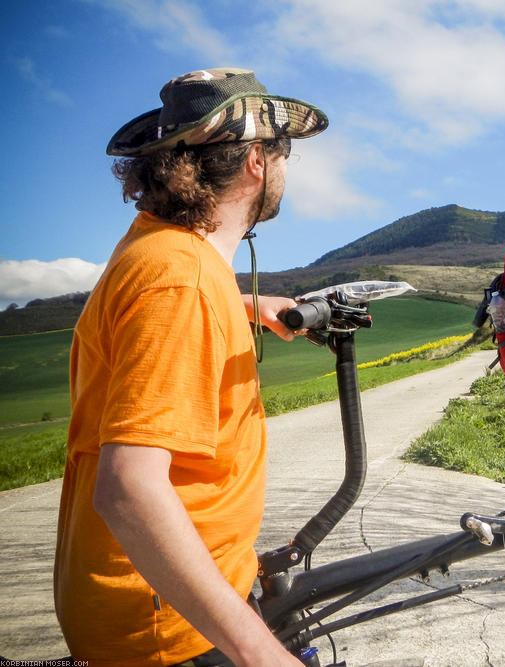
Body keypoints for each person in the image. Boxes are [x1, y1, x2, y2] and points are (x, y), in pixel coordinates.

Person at [53, 68, 328, 666]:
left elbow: (153, 319)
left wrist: (248, 305)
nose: (284, 168)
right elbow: (129, 490)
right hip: (170, 632)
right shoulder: (183, 281)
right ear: (257, 160)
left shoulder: (160, 249)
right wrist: (260, 653)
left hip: (164, 603)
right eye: (282, 152)